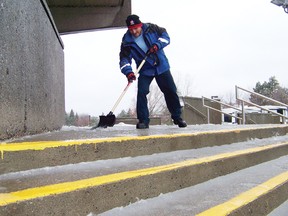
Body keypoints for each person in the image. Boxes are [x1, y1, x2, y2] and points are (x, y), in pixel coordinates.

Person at [119, 14, 187, 129]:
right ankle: (143, 121)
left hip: (161, 66)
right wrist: (128, 72)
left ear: (140, 25)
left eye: (136, 28)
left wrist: (157, 45)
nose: (134, 31)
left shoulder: (152, 28)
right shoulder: (127, 41)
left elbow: (165, 36)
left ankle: (177, 117)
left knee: (170, 90)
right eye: (131, 29)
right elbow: (124, 59)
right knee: (142, 92)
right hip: (145, 69)